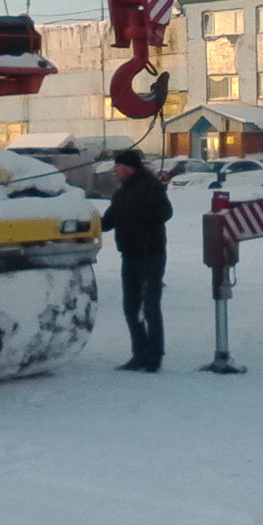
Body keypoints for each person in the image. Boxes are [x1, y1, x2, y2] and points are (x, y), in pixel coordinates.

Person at [101, 148, 173, 372]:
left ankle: (154, 356)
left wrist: (143, 223)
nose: (115, 172)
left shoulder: (151, 187)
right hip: (129, 256)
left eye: (118, 168)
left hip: (150, 254)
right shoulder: (120, 194)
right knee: (131, 308)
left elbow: (166, 212)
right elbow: (108, 221)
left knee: (150, 306)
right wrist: (87, 224)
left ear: (128, 168)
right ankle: (139, 354)